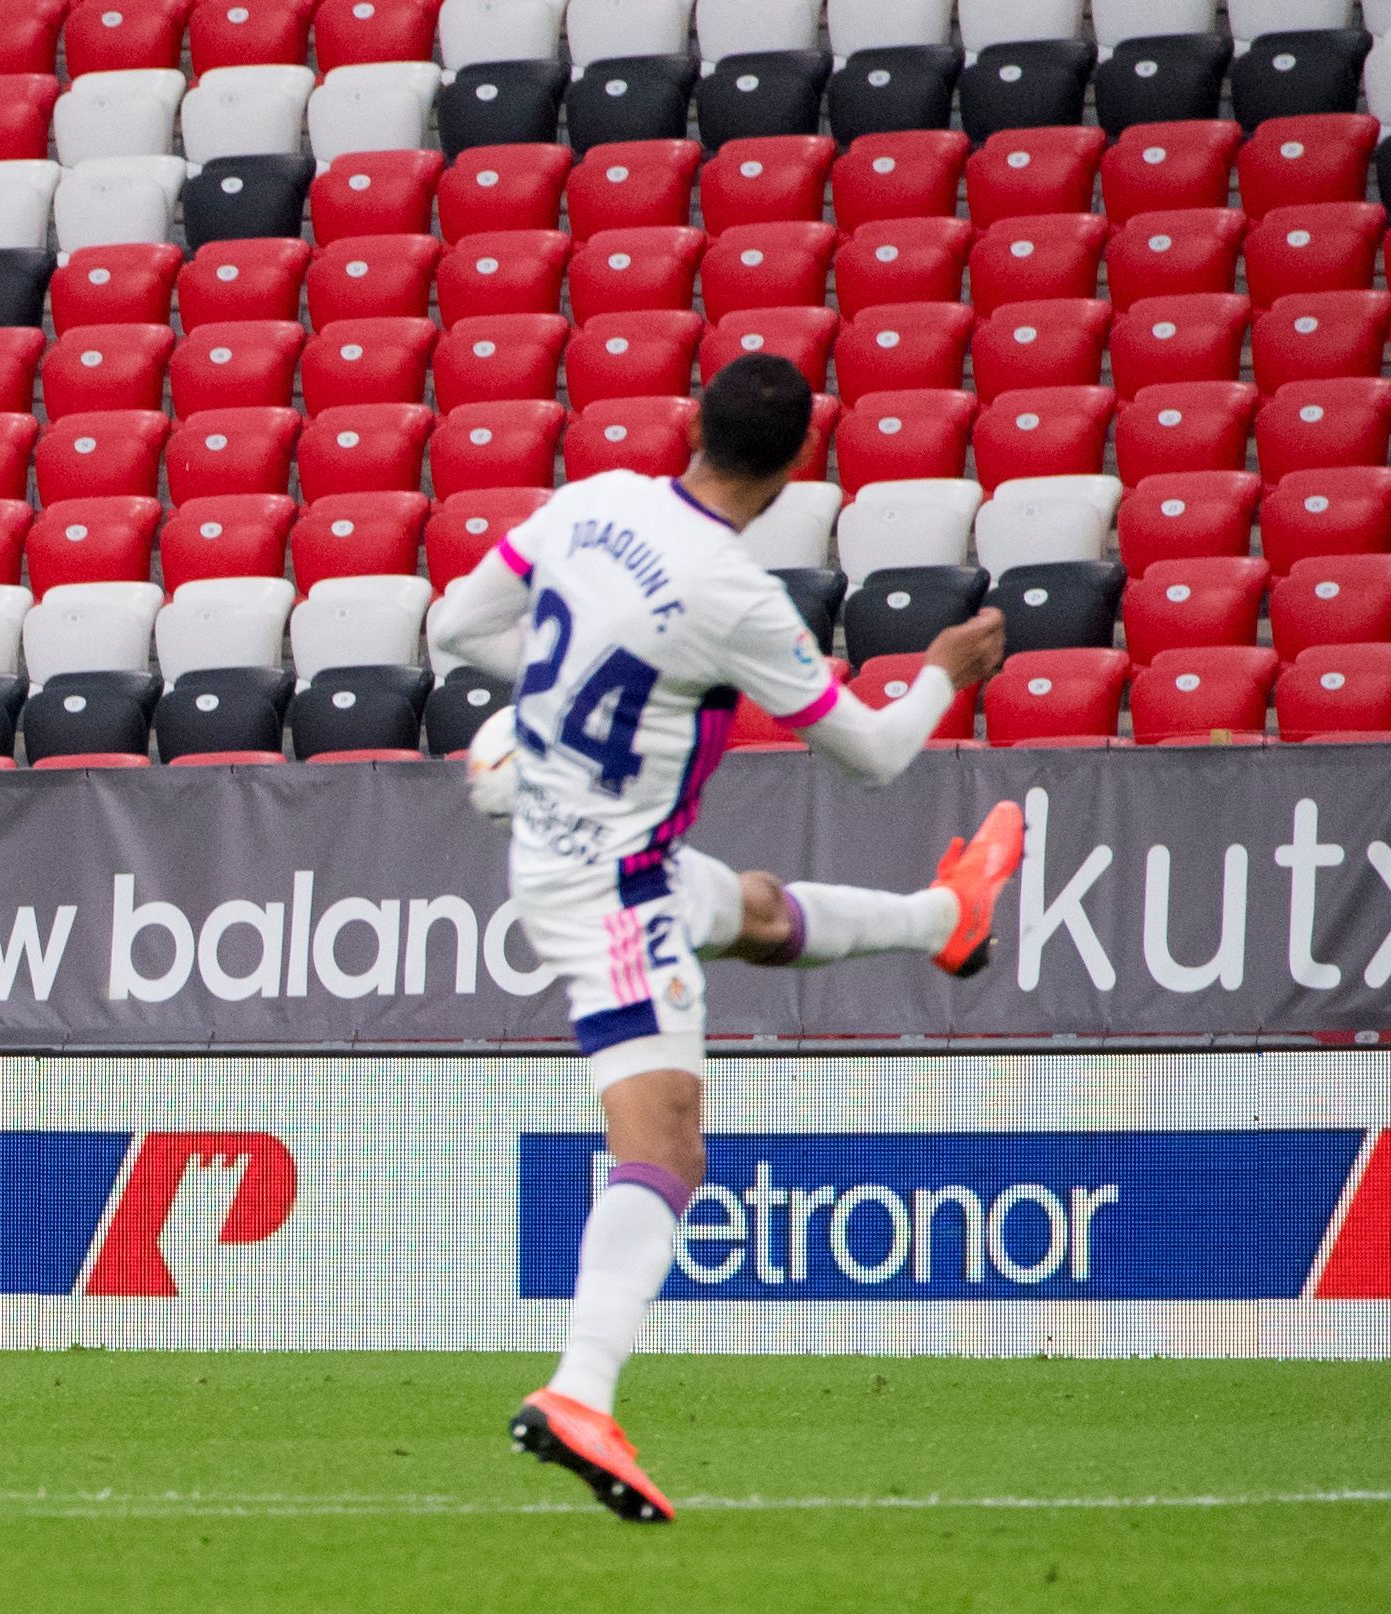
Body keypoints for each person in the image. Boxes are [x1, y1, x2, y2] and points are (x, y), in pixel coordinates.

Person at [427, 354, 1025, 1523]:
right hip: (613, 889)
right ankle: (579, 1391)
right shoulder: (736, 596)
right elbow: (875, 754)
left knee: (751, 910)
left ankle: (943, 919)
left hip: (575, 847)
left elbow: (457, 623)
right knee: (666, 1144)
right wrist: (943, 674)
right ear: (801, 464)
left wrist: (566, 688)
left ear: (690, 421)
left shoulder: (594, 499)